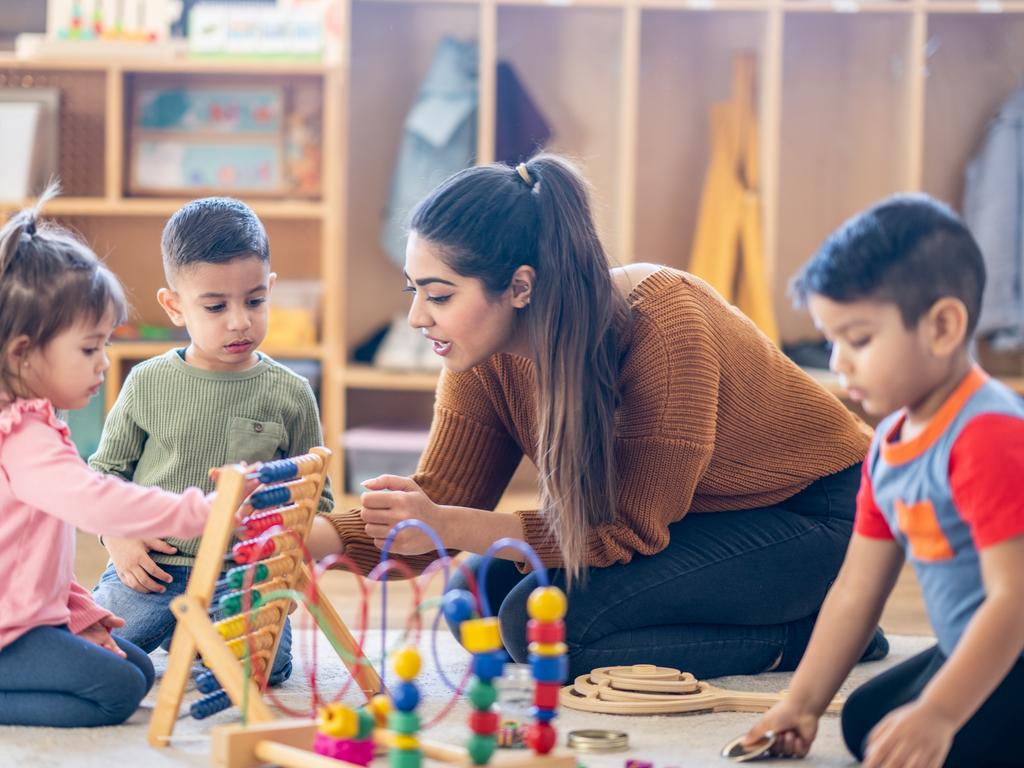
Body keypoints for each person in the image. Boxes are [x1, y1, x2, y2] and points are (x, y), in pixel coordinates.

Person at [309, 154, 883, 679]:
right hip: (697, 516)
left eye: (439, 296)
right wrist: (312, 539)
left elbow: (625, 530)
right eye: (414, 291)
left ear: (519, 287)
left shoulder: (665, 327)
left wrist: (450, 524)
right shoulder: (482, 355)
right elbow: (438, 500)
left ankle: (813, 635)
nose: (415, 317)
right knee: (475, 603)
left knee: (546, 633)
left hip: (820, 514)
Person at [744, 194, 1024, 767]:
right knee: (869, 724)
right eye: (832, 341)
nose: (840, 363)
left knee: (941, 741)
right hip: (973, 647)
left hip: (1014, 642)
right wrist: (800, 703)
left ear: (942, 327)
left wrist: (941, 713)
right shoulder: (890, 444)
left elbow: (1015, 599)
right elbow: (855, 591)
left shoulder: (987, 433)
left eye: (860, 340)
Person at [90, 197, 333, 686]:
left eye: (255, 300)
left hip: (240, 578)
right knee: (91, 654)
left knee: (261, 672)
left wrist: (276, 553)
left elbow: (317, 500)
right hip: (153, 569)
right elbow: (102, 475)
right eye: (216, 306)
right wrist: (117, 536)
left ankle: (192, 638)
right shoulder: (146, 382)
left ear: (271, 290)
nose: (239, 320)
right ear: (175, 306)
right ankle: (179, 632)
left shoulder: (292, 393)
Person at [0, 189, 214, 726]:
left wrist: (81, 610)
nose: (103, 364)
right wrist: (198, 513)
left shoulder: (38, 420)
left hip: (28, 613)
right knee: (117, 692)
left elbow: (31, 555)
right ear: (22, 353)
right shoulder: (22, 436)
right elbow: (96, 503)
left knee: (139, 671)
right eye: (89, 349)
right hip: (10, 629)